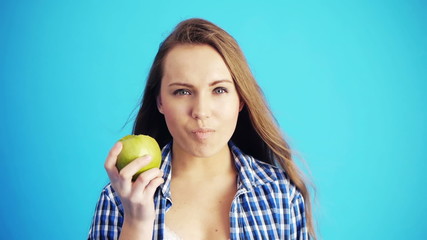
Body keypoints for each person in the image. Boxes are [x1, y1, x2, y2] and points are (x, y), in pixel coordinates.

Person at [88, 18, 316, 240]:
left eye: (219, 90)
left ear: (240, 99)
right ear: (160, 102)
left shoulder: (280, 195)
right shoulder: (119, 200)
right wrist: (136, 224)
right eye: (182, 92)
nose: (201, 111)